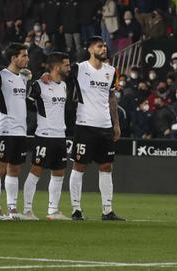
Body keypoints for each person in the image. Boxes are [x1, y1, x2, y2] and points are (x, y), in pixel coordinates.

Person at [66, 37, 124, 221]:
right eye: (100, 46)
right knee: (79, 165)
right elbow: (59, 72)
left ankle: (107, 210)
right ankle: (76, 209)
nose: (104, 48)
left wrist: (116, 124)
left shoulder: (112, 71)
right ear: (91, 49)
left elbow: (112, 98)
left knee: (106, 166)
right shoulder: (79, 68)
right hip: (84, 125)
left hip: (105, 126)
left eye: (105, 46)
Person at [23, 52, 71, 220]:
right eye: (66, 65)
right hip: (44, 135)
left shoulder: (64, 85)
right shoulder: (39, 85)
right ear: (57, 67)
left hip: (60, 135)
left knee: (59, 173)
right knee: (36, 171)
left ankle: (53, 211)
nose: (69, 67)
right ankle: (27, 210)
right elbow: (26, 102)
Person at [0, 43, 30, 220]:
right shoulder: (0, 76)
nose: (27, 59)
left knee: (15, 169)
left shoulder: (23, 78)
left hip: (20, 131)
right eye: (24, 55)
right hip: (4, 129)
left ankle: (12, 207)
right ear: (14, 58)